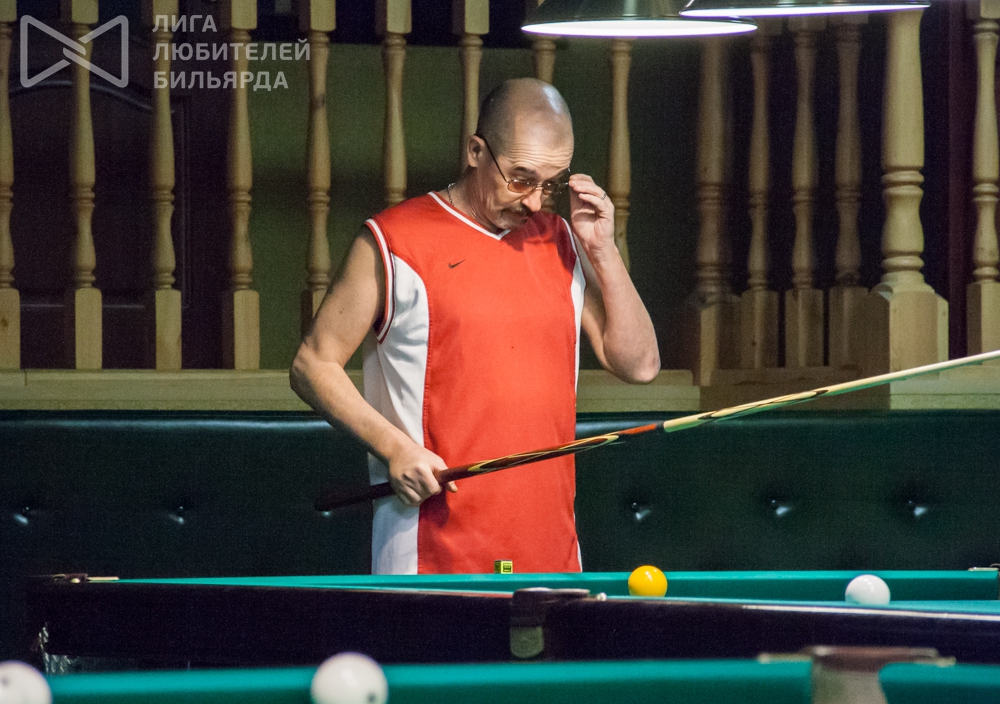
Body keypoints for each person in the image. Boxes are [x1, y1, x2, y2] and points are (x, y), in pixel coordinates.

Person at [291, 78, 659, 575]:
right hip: (430, 550)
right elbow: (311, 365)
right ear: (475, 151)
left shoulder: (560, 240)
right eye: (521, 178)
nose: (535, 202)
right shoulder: (395, 239)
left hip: (550, 548)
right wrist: (394, 448)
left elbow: (640, 365)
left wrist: (603, 249)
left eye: (551, 184)